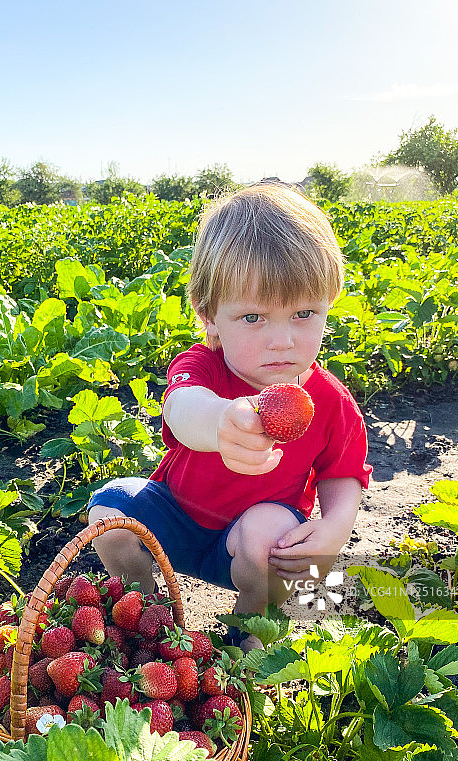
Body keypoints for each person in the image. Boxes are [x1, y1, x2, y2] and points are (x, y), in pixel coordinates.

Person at [87, 181, 372, 651]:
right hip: (175, 524)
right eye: (253, 318)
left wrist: (335, 528)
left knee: (271, 535)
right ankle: (147, 613)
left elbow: (342, 475)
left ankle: (250, 630)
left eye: (304, 313)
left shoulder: (331, 402)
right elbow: (182, 407)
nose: (282, 340)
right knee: (109, 510)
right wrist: (221, 421)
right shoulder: (203, 366)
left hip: (254, 550)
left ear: (331, 302)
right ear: (209, 316)